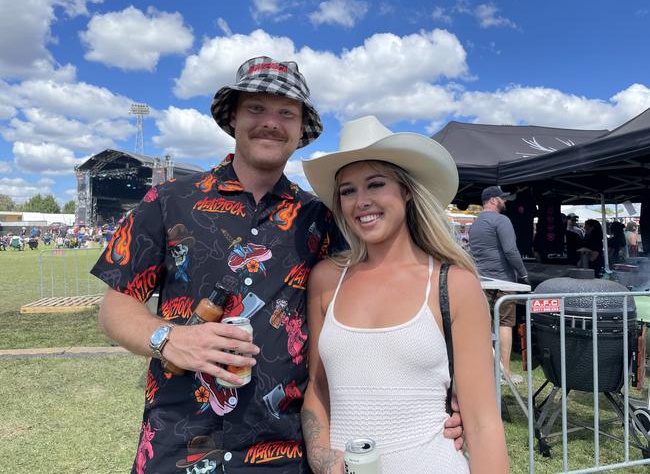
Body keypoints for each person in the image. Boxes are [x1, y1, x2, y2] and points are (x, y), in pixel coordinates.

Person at [91, 57, 463, 473]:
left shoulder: (322, 217)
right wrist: (169, 339)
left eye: (286, 113)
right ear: (233, 117)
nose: (271, 122)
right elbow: (115, 307)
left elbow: (383, 295)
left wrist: (447, 391)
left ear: (301, 129)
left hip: (284, 452)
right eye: (256, 109)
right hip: (178, 443)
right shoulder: (167, 200)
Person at [301, 116, 507, 473]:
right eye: (348, 190)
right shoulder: (325, 280)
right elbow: (318, 390)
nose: (361, 201)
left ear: (407, 190)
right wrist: (321, 458)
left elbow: (482, 424)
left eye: (375, 184)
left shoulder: (454, 284)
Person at [469, 186, 529, 385]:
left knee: (483, 325)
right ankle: (505, 372)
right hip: (503, 280)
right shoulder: (502, 220)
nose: (507, 201)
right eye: (503, 199)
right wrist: (523, 273)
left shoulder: (475, 223)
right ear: (494, 200)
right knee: (505, 323)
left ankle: (485, 369)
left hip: (481, 281)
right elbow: (511, 250)